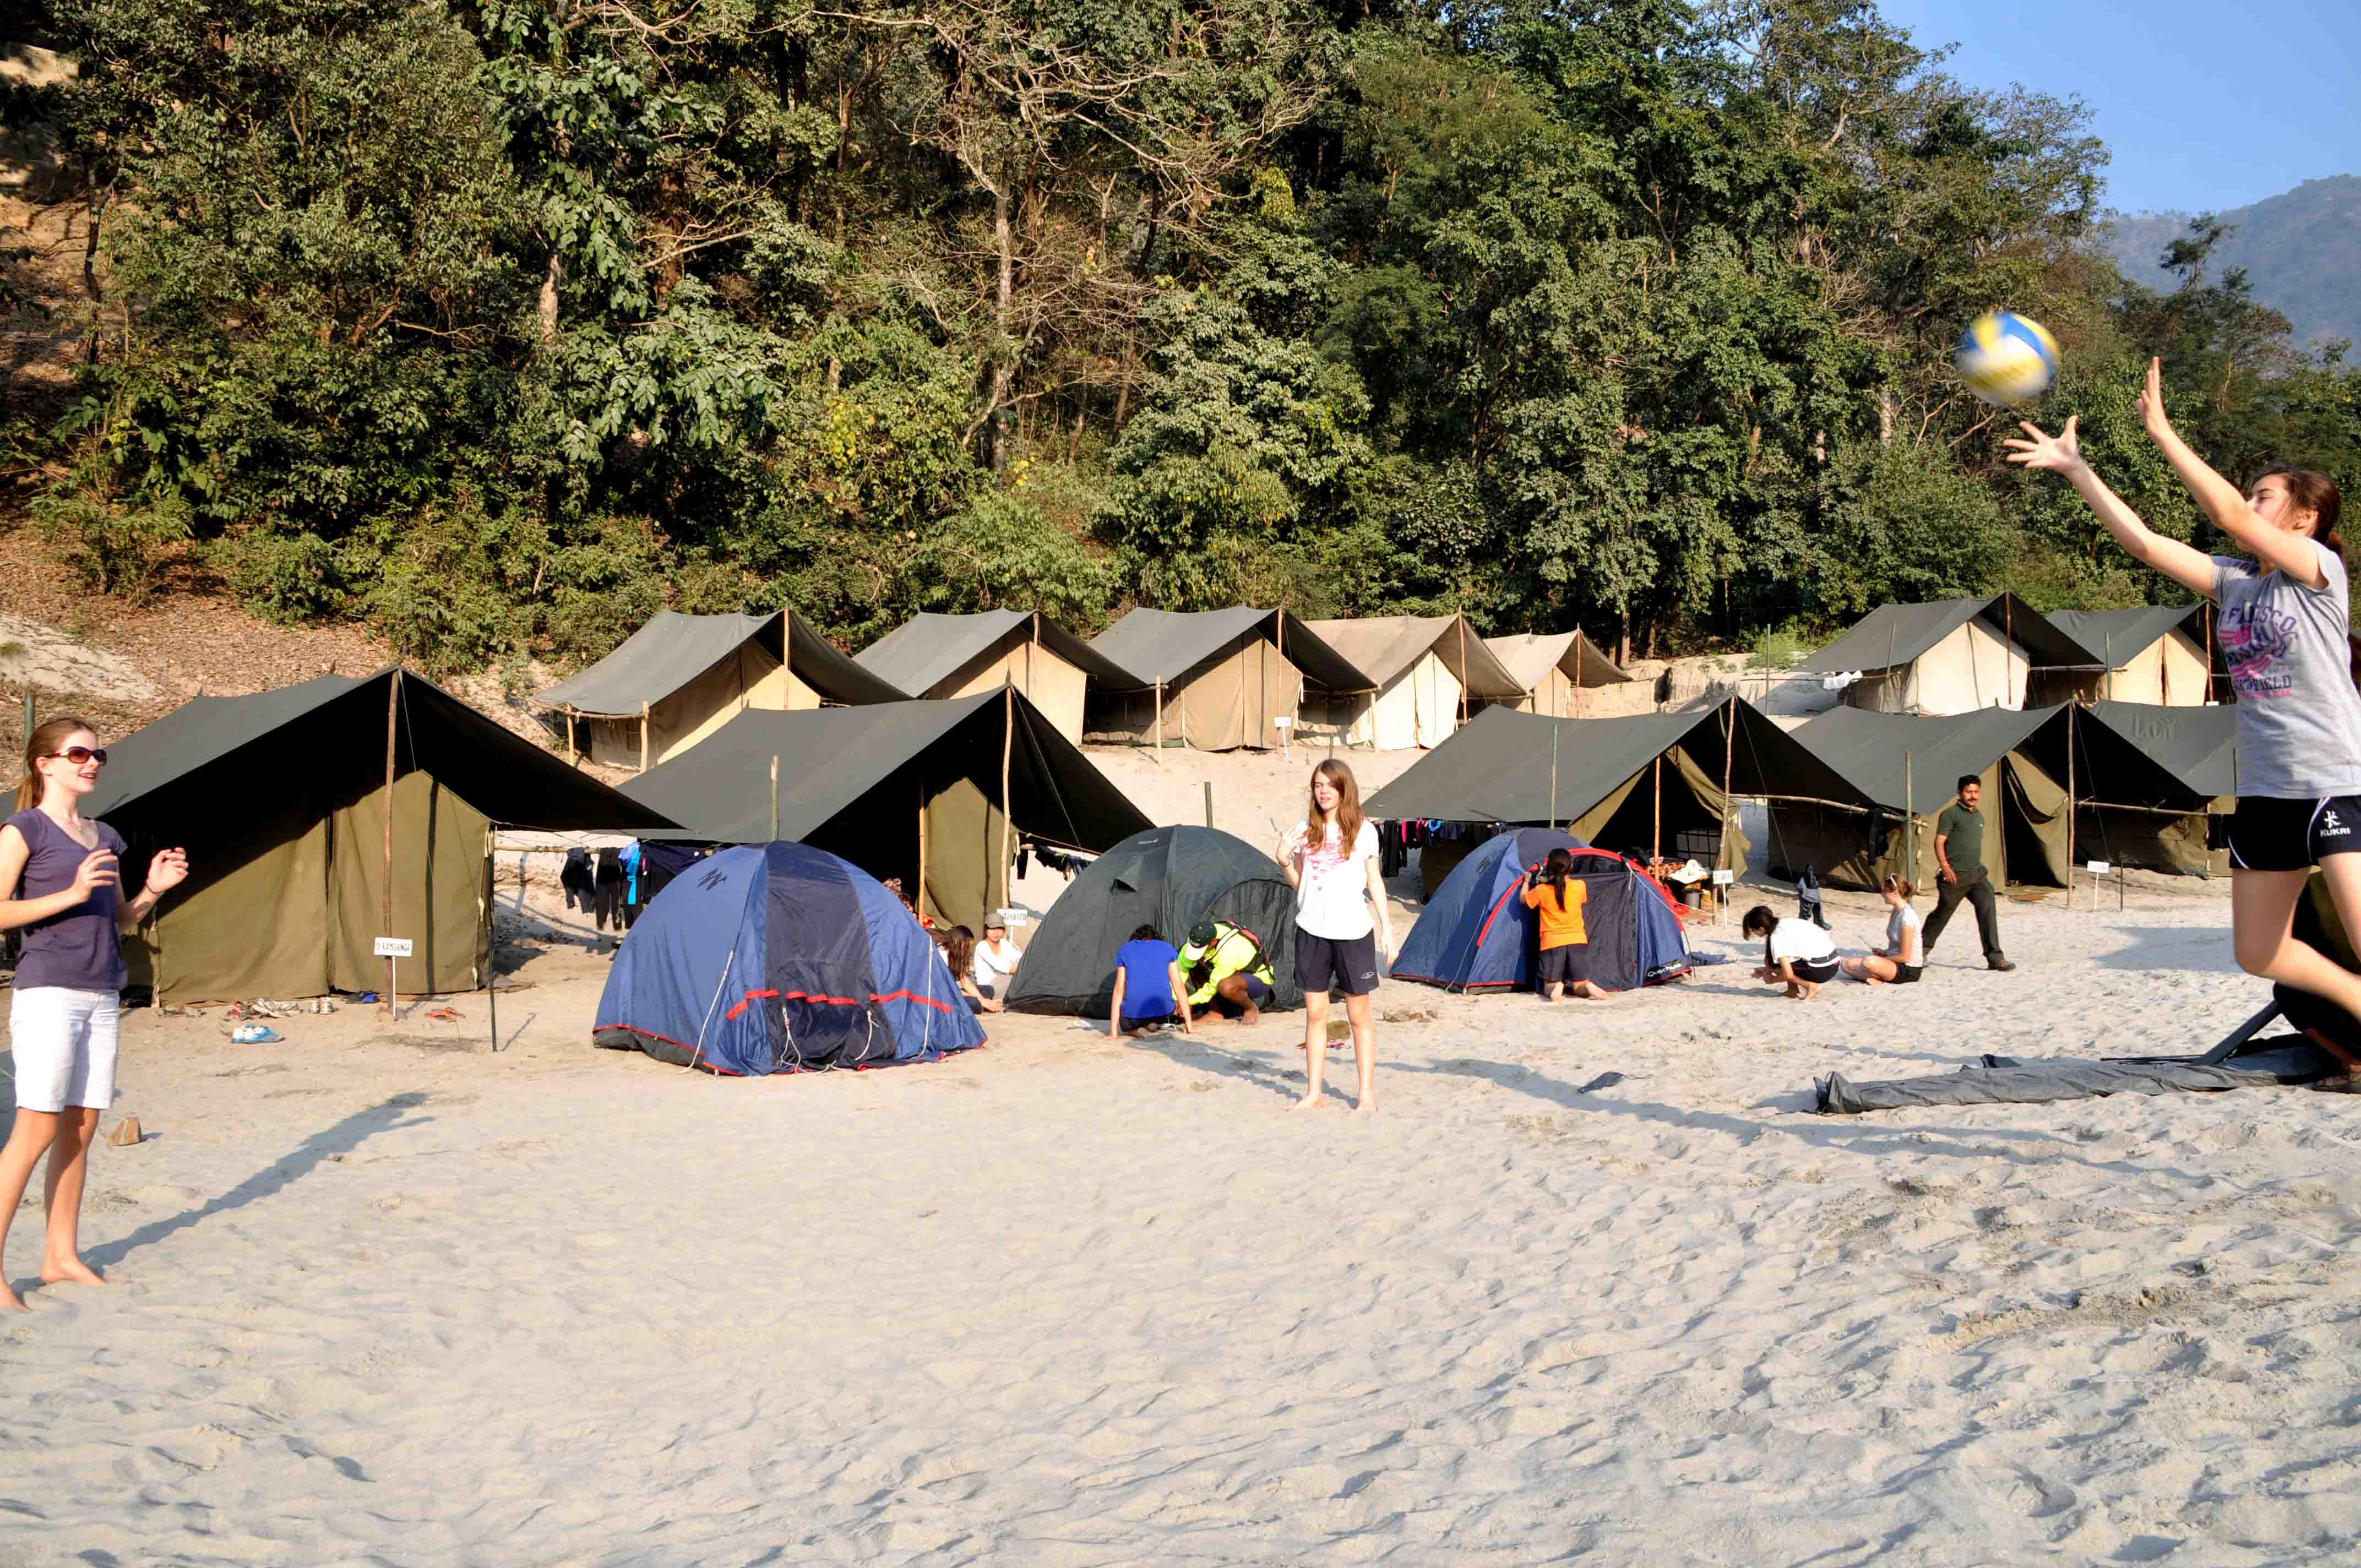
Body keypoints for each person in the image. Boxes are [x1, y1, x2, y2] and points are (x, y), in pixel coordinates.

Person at [2008, 360, 2361, 1083]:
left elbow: (2227, 515)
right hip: (2265, 790)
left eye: (2265, 496)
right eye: (2252, 495)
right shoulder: (2234, 583)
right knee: (2259, 953)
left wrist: (2162, 432)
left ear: (2303, 518)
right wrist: (2078, 470)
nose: (2249, 505)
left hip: (2333, 784)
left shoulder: (2319, 572)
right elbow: (2142, 544)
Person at [0, 718, 189, 1310]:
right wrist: (71, 894)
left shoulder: (104, 835)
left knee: (80, 1130)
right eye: (78, 752)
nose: (92, 762)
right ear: (45, 763)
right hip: (47, 993)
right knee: (34, 1130)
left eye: (97, 753)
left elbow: (116, 922)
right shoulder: (24, 828)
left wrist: (151, 891)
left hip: (102, 992)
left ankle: (60, 1256)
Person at [1277, 759, 1392, 1114]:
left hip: (1353, 933)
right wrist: (1283, 861)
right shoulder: (1304, 830)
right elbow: (1303, 886)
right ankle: (1314, 1093)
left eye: (1330, 784)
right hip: (1312, 931)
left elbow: (1374, 880)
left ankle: (1366, 1094)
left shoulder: (1363, 830)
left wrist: (1388, 927)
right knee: (1315, 1013)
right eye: (1318, 785)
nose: (1323, 791)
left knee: (1359, 1016)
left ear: (1344, 788)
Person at [1920, 776, 2014, 971]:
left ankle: (1995, 958)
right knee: (1943, 913)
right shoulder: (1950, 814)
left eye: (1976, 791)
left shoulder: (1979, 816)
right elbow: (1939, 842)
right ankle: (1920, 950)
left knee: (1988, 912)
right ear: (1960, 792)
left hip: (1977, 875)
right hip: (1954, 875)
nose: (1973, 796)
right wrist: (1945, 866)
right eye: (1969, 791)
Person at [1521, 847, 1600, 1001]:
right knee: (1579, 986)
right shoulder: (1580, 886)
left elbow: (1523, 900)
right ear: (1571, 866)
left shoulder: (1541, 890)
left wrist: (1526, 881)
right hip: (1578, 940)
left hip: (1552, 942)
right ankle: (1588, 988)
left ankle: (1557, 987)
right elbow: (1581, 899)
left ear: (1549, 867)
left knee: (1549, 985)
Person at [1176, 917, 1277, 1025]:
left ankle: (1251, 1008)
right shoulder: (1199, 938)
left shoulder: (1229, 952)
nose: (1197, 951)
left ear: (1214, 941)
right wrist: (1177, 998)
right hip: (1231, 973)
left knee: (1226, 986)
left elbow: (1211, 988)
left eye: (1201, 949)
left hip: (1258, 979)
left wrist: (1187, 1002)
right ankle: (1215, 1014)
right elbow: (1181, 969)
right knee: (1195, 963)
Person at [1107, 923, 1193, 1038]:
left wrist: (1113, 1032)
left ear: (1135, 940)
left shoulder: (1125, 949)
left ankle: (1140, 1031)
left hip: (1134, 1018)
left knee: (1126, 1025)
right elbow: (1179, 986)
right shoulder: (1168, 948)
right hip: (1163, 1014)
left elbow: (1119, 990)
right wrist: (1189, 1025)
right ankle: (1153, 1025)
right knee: (1168, 1005)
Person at [1742, 903, 1838, 1000]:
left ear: (1761, 929)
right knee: (1775, 964)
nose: (1753, 933)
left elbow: (1788, 974)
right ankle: (1793, 990)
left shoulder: (1777, 936)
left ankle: (1811, 986)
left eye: (1752, 930)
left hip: (1823, 968)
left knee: (1777, 966)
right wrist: (1768, 969)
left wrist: (1772, 980)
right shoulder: (1784, 922)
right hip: (1833, 961)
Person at [1841, 875, 1923, 986]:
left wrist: (1885, 958)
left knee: (1869, 962)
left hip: (1908, 968)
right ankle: (1878, 977)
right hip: (1893, 961)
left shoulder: (1907, 917)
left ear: (1895, 893)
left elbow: (1905, 957)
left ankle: (1878, 975)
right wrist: (1884, 952)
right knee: (1845, 964)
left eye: (1885, 891)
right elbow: (1896, 948)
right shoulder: (1896, 911)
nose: (1882, 894)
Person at [940, 925, 1002, 1014]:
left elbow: (965, 981)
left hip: (956, 991)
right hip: (943, 994)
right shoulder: (941, 957)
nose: (968, 951)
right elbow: (948, 989)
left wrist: (984, 1000)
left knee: (988, 990)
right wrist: (981, 1001)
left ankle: (984, 1005)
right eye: (966, 947)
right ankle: (982, 1006)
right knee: (974, 1003)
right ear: (957, 942)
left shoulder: (956, 955)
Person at [971, 919, 1021, 1003]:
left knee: (1023, 961)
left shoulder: (1004, 943)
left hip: (1004, 979)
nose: (996, 933)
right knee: (1020, 977)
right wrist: (1024, 970)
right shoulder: (982, 946)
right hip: (990, 987)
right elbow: (1000, 966)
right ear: (986, 930)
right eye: (992, 929)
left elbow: (1019, 958)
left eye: (999, 929)